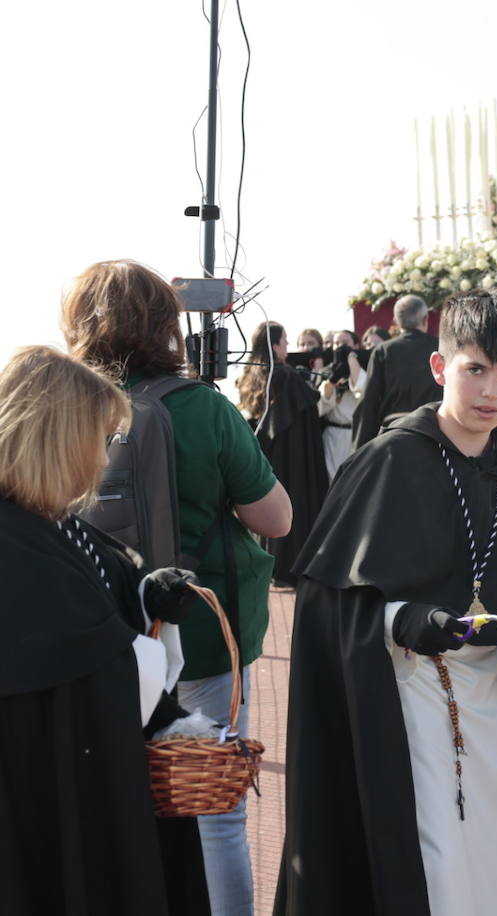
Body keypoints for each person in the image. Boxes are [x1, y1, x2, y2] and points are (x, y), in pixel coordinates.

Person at [274, 290, 497, 916]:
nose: (493, 392)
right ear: (441, 368)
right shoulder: (386, 462)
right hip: (405, 703)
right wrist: (397, 621)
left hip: (496, 702)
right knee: (433, 869)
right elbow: (326, 605)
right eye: (476, 370)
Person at [61, 259, 290, 915]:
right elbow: (275, 517)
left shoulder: (65, 408)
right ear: (167, 326)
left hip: (103, 643)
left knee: (112, 805)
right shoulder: (203, 409)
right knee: (212, 812)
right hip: (204, 637)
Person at [0, 346, 212, 915]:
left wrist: (147, 597)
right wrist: (138, 647)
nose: (103, 457)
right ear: (57, 438)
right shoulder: (14, 540)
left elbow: (96, 623)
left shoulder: (58, 523)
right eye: (99, 438)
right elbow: (76, 656)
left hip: (88, 773)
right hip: (47, 790)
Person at [238, 321, 329, 586]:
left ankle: (272, 567)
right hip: (293, 460)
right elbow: (309, 412)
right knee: (293, 509)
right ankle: (291, 567)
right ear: (275, 344)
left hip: (265, 458)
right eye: (285, 341)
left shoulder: (250, 376)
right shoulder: (286, 376)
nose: (288, 347)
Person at [353, 295, 443, 448]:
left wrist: (361, 449)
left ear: (396, 321)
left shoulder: (383, 350)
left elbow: (369, 401)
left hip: (393, 435)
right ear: (425, 319)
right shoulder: (440, 347)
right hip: (434, 433)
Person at [317, 328, 368, 479]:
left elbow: (362, 388)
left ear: (356, 345)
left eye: (345, 343)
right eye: (336, 343)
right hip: (334, 435)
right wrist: (332, 381)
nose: (340, 346)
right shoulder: (327, 371)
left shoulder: (364, 368)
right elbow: (321, 406)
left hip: (357, 435)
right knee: (332, 479)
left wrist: (351, 358)